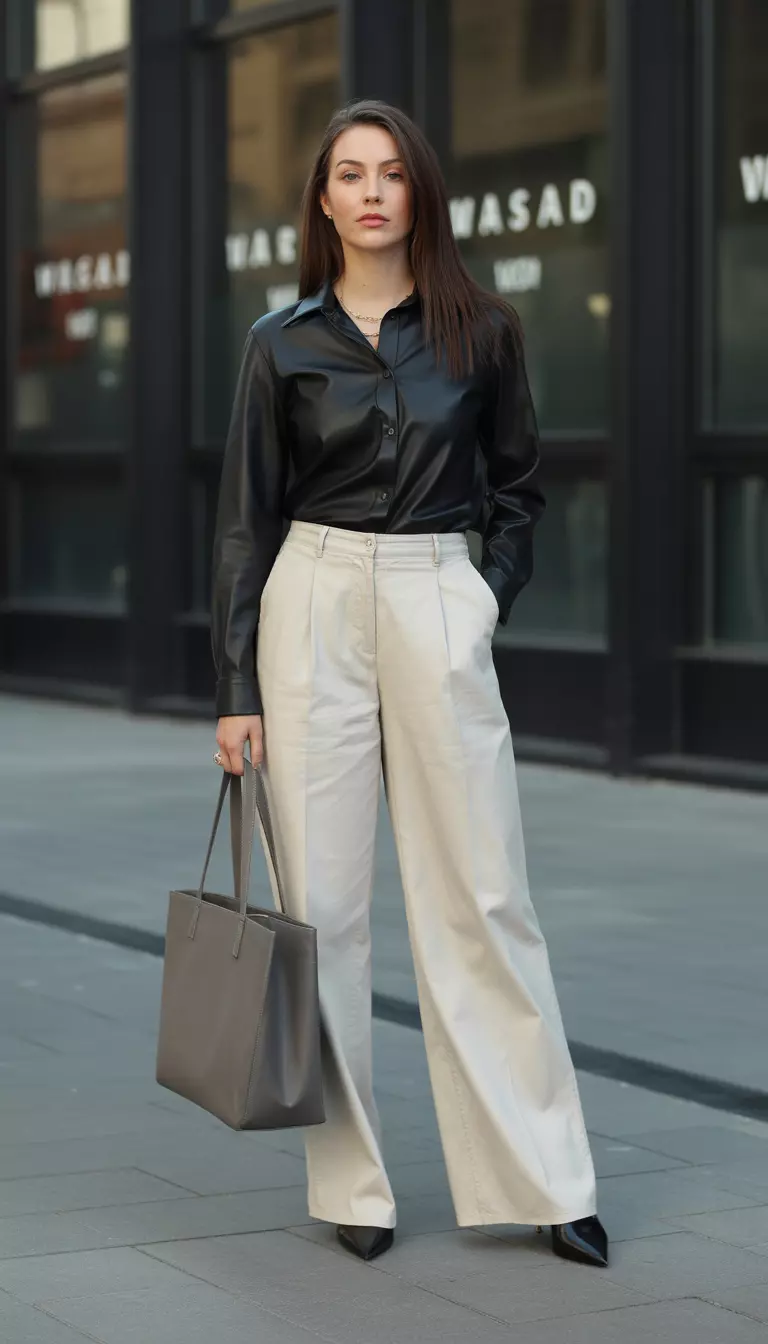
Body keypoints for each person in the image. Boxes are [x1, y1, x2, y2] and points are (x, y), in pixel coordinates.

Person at [210, 98, 608, 1270]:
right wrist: (236, 686)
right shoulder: (279, 342)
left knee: (484, 893)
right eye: (350, 173)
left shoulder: (485, 331)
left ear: (419, 192)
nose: (373, 191)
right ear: (324, 201)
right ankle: (354, 1183)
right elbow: (244, 522)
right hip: (312, 600)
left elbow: (519, 492)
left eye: (391, 172)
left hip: (438, 591)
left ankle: (546, 1177)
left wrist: (481, 598)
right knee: (322, 910)